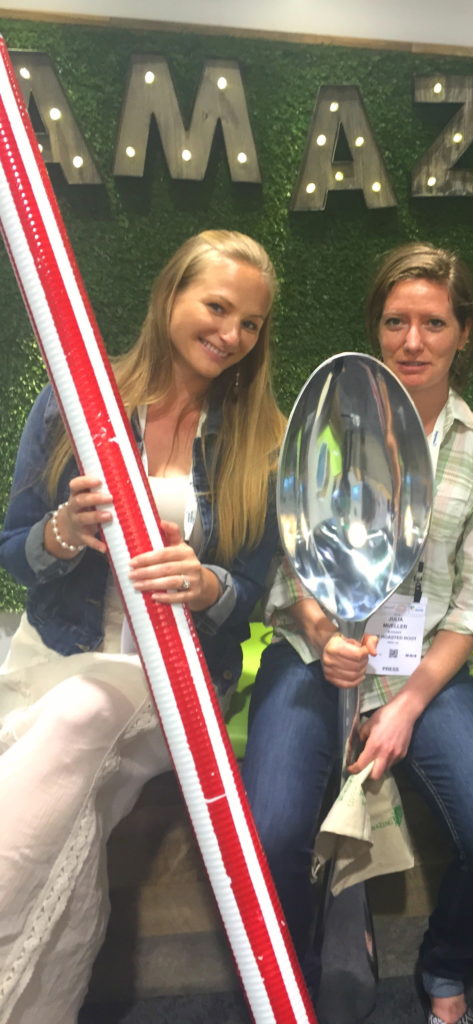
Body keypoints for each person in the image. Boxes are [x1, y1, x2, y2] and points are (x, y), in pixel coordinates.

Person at [243, 242, 473, 1024]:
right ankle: (300, 982)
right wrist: (318, 626)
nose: (413, 341)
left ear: (464, 332)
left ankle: (443, 965)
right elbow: (288, 563)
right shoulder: (323, 422)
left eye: (433, 323)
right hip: (314, 657)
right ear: (376, 325)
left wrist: (403, 706)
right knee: (270, 835)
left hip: (424, 673)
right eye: (397, 321)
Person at [0, 229, 285, 1023]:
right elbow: (14, 550)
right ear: (171, 297)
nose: (231, 335)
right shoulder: (70, 402)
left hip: (177, 689)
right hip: (56, 654)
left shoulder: (262, 440)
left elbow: (257, 593)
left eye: (251, 323)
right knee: (69, 809)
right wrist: (61, 530)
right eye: (217, 307)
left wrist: (207, 585)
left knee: (85, 713)